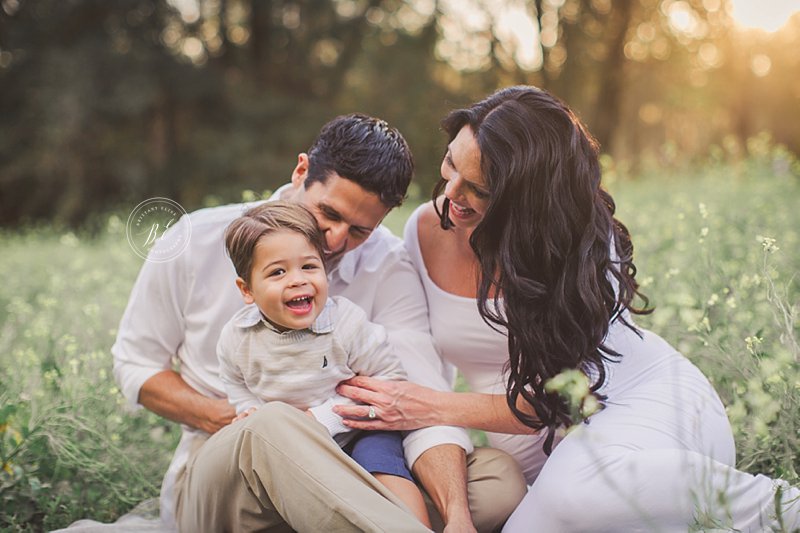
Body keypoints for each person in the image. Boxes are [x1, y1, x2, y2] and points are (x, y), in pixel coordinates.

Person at [334, 87, 800, 531]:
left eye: (478, 188)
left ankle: (779, 508)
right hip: (549, 458)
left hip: (638, 408)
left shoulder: (576, 248)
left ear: (524, 196)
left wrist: (432, 407)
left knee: (569, 498)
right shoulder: (425, 230)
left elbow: (551, 401)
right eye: (450, 164)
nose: (451, 193)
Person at [112, 113, 526, 532]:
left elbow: (419, 394)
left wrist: (457, 516)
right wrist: (235, 418)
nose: (333, 241)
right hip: (227, 476)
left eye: (359, 230)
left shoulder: (388, 268)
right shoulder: (197, 240)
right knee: (273, 423)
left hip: (346, 466)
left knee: (498, 482)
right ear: (301, 170)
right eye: (327, 213)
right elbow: (136, 364)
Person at [218, 201, 431, 527]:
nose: (297, 280)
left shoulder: (346, 324)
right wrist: (247, 407)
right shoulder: (238, 338)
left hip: (358, 430)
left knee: (381, 466)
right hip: (290, 447)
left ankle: (416, 526)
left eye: (309, 266)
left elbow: (390, 379)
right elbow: (234, 380)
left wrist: (323, 418)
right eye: (277, 272)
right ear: (247, 290)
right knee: (279, 490)